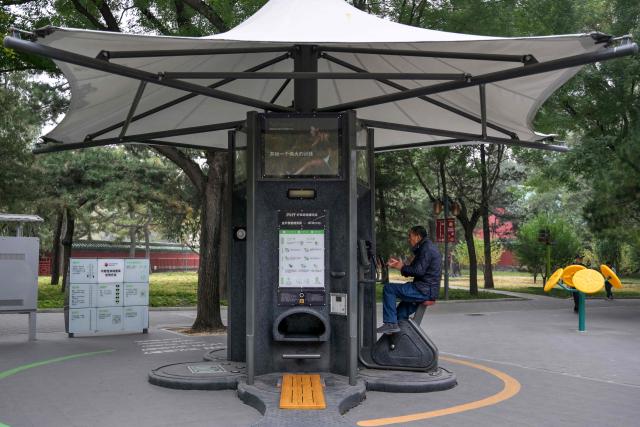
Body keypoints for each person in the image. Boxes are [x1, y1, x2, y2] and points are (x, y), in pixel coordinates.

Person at [377, 225, 442, 334]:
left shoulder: (426, 249)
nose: (409, 239)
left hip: (423, 290)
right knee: (399, 315)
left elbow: (418, 271)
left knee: (389, 288)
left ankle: (390, 324)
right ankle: (399, 341)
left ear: (417, 236)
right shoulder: (425, 247)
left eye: (410, 236)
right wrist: (400, 265)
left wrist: (401, 267)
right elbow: (416, 269)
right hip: (425, 289)